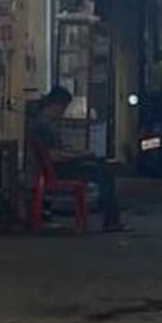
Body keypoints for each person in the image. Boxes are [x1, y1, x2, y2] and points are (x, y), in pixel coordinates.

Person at [26, 87, 127, 232]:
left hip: (57, 167)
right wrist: (79, 155)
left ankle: (110, 216)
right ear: (56, 105)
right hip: (60, 170)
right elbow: (55, 157)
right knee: (105, 174)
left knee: (100, 165)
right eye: (64, 107)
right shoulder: (45, 126)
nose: (63, 112)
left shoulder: (42, 123)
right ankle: (111, 220)